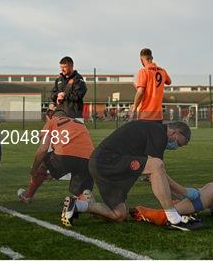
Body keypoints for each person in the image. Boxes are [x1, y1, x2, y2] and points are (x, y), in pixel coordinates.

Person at [60, 121, 201, 231]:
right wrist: (184, 192)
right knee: (157, 165)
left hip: (99, 164)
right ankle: (173, 218)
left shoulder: (154, 131)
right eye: (179, 143)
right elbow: (157, 169)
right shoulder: (159, 133)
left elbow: (157, 174)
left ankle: (78, 205)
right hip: (108, 161)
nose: (176, 147)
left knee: (119, 215)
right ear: (175, 132)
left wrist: (178, 191)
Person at [17, 107, 94, 203]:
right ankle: (85, 198)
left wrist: (34, 170)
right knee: (80, 193)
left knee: (41, 164)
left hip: (65, 156)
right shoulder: (80, 124)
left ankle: (27, 196)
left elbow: (43, 149)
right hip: (89, 159)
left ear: (52, 117)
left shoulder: (52, 121)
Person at [129, 48, 171, 122]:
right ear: (152, 58)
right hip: (158, 116)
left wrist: (134, 109)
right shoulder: (162, 71)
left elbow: (140, 92)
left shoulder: (143, 71)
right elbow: (169, 82)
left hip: (145, 115)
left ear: (141, 60)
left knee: (143, 134)